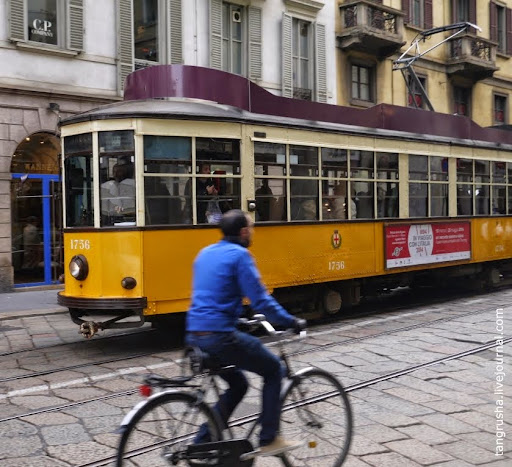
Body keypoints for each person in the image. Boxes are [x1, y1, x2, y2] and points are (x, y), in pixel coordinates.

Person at [186, 209, 306, 457]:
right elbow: (261, 300)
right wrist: (290, 321)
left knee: (238, 385)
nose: (252, 233)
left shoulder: (204, 253)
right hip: (220, 336)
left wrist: (238, 318)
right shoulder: (240, 255)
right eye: (251, 228)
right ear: (243, 232)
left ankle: (202, 443)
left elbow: (213, 295)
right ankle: (269, 438)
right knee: (273, 370)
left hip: (194, 335)